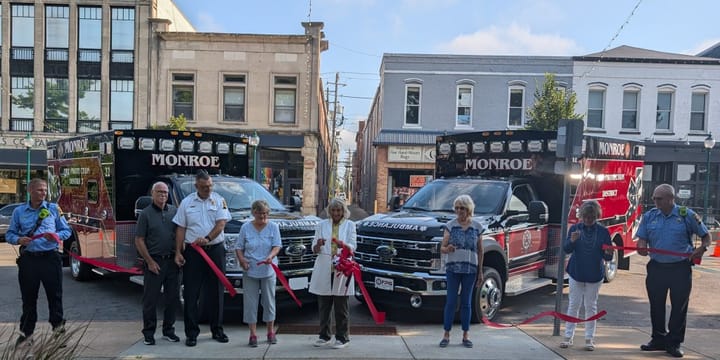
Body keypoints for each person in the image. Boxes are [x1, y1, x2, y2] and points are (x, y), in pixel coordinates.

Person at [636, 184, 710, 358]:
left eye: (659, 199)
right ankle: (658, 339)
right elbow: (642, 239)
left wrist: (701, 249)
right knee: (656, 305)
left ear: (671, 199)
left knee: (679, 307)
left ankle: (674, 343)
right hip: (656, 267)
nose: (655, 201)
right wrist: (641, 247)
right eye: (654, 198)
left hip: (680, 268)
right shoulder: (649, 216)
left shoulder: (686, 215)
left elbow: (706, 236)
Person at [6, 178, 71, 346]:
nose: (43, 193)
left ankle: (58, 333)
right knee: (28, 299)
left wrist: (56, 237)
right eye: (40, 190)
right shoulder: (19, 212)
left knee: (55, 297)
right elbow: (10, 234)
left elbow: (66, 231)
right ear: (30, 191)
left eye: (45, 190)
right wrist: (19, 240)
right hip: (29, 260)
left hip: (50, 258)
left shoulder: (53, 209)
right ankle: (26, 335)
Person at [173, 171, 232, 347]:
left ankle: (217, 329)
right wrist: (178, 251)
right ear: (196, 186)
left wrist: (207, 238)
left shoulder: (219, 200)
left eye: (210, 186)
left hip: (214, 250)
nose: (208, 189)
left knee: (216, 292)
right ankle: (191, 333)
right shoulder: (187, 202)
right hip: (193, 252)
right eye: (204, 187)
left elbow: (221, 224)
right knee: (191, 292)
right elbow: (181, 228)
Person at [559, 200, 613, 351]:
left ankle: (589, 338)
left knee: (591, 306)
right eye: (586, 217)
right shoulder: (575, 228)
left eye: (592, 217)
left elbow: (607, 257)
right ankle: (568, 337)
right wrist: (572, 240)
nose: (589, 220)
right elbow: (566, 249)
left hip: (595, 274)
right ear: (581, 216)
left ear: (597, 216)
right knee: (573, 305)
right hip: (576, 272)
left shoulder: (603, 232)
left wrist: (609, 253)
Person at [135, 182, 180, 345]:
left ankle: (169, 330)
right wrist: (150, 261)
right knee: (150, 300)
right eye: (159, 192)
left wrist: (179, 253)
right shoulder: (145, 214)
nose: (163, 195)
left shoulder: (174, 211)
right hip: (154, 262)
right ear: (152, 194)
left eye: (165, 193)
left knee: (172, 298)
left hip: (172, 262)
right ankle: (148, 332)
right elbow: (139, 240)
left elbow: (179, 234)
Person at [309, 198, 357, 349]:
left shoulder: (350, 225)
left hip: (342, 268)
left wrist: (342, 245)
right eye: (333, 210)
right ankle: (324, 335)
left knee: (341, 305)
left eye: (339, 210)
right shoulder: (321, 225)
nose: (336, 213)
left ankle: (342, 337)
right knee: (324, 305)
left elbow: (353, 247)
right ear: (329, 211)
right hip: (324, 267)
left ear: (344, 211)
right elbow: (314, 249)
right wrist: (318, 244)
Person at [438, 194, 484, 349]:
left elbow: (480, 250)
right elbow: (442, 248)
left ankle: (466, 334)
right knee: (451, 301)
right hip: (453, 268)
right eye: (457, 208)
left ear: (468, 209)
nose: (459, 211)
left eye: (462, 208)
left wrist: (480, 272)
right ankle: (446, 334)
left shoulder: (477, 226)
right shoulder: (450, 225)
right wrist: (448, 248)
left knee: (466, 302)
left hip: (470, 269)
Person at [235, 200, 282, 347]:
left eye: (265, 214)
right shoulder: (245, 227)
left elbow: (277, 245)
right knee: (250, 303)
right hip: (250, 270)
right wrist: (242, 260)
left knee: (269, 301)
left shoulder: (273, 227)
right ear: (253, 213)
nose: (262, 216)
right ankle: (253, 334)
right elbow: (238, 247)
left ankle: (270, 331)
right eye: (259, 213)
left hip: (268, 270)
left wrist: (271, 256)